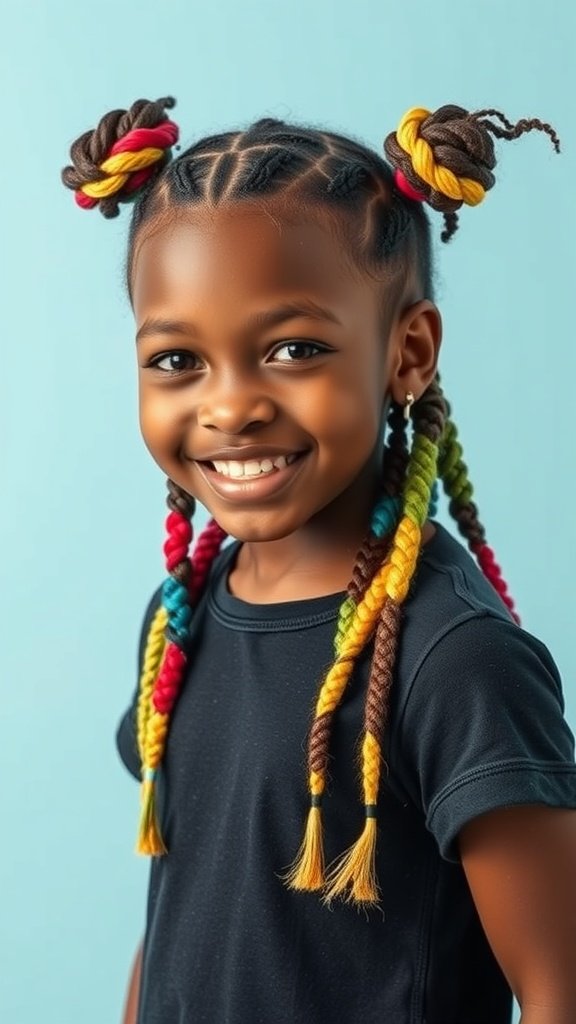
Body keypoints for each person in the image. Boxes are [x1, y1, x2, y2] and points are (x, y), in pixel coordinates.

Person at [62, 97, 576, 1024]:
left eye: (293, 349)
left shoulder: (454, 661)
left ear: (407, 352)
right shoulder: (179, 621)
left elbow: (559, 988)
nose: (230, 408)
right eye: (177, 361)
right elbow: (184, 916)